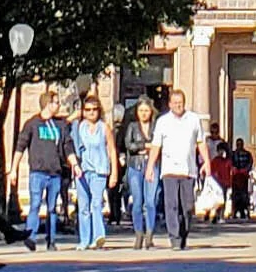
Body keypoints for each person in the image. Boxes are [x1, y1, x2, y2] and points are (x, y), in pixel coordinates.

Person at [13, 90, 76, 250]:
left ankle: (51, 240)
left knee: (52, 208)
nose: (58, 105)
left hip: (55, 173)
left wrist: (75, 164)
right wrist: (14, 169)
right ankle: (30, 237)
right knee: (35, 204)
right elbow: (20, 146)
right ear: (48, 104)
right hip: (38, 172)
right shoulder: (32, 124)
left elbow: (67, 146)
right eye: (56, 102)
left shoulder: (60, 125)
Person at [150, 87, 205, 248]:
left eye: (180, 102)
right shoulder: (163, 121)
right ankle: (174, 237)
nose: (178, 105)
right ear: (170, 104)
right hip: (169, 171)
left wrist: (207, 162)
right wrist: (150, 167)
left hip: (188, 170)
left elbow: (200, 142)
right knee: (171, 205)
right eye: (175, 103)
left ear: (184, 103)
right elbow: (156, 146)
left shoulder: (193, 119)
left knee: (187, 207)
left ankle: (183, 233)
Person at [73, 93, 115, 249]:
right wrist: (76, 115)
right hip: (82, 170)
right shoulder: (79, 127)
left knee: (96, 204)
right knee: (83, 207)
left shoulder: (104, 128)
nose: (91, 112)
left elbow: (111, 149)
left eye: (94, 109)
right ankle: (85, 239)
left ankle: (98, 236)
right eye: (88, 109)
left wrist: (114, 172)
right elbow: (65, 124)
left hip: (99, 170)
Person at [121, 94, 161, 247]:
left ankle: (149, 234)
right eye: (141, 110)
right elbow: (128, 145)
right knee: (137, 202)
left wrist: (148, 148)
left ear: (151, 111)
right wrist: (145, 146)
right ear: (137, 112)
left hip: (152, 165)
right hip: (135, 166)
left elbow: (160, 144)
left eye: (146, 110)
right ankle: (138, 233)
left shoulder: (156, 127)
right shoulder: (132, 126)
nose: (144, 113)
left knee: (150, 201)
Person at [230, 137, 254, 217]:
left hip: (244, 178)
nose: (239, 146)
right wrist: (234, 169)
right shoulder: (233, 154)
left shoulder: (247, 154)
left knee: (244, 195)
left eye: (240, 144)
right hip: (235, 178)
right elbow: (230, 164)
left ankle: (245, 211)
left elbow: (250, 163)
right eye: (238, 144)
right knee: (235, 195)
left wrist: (246, 170)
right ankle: (234, 211)